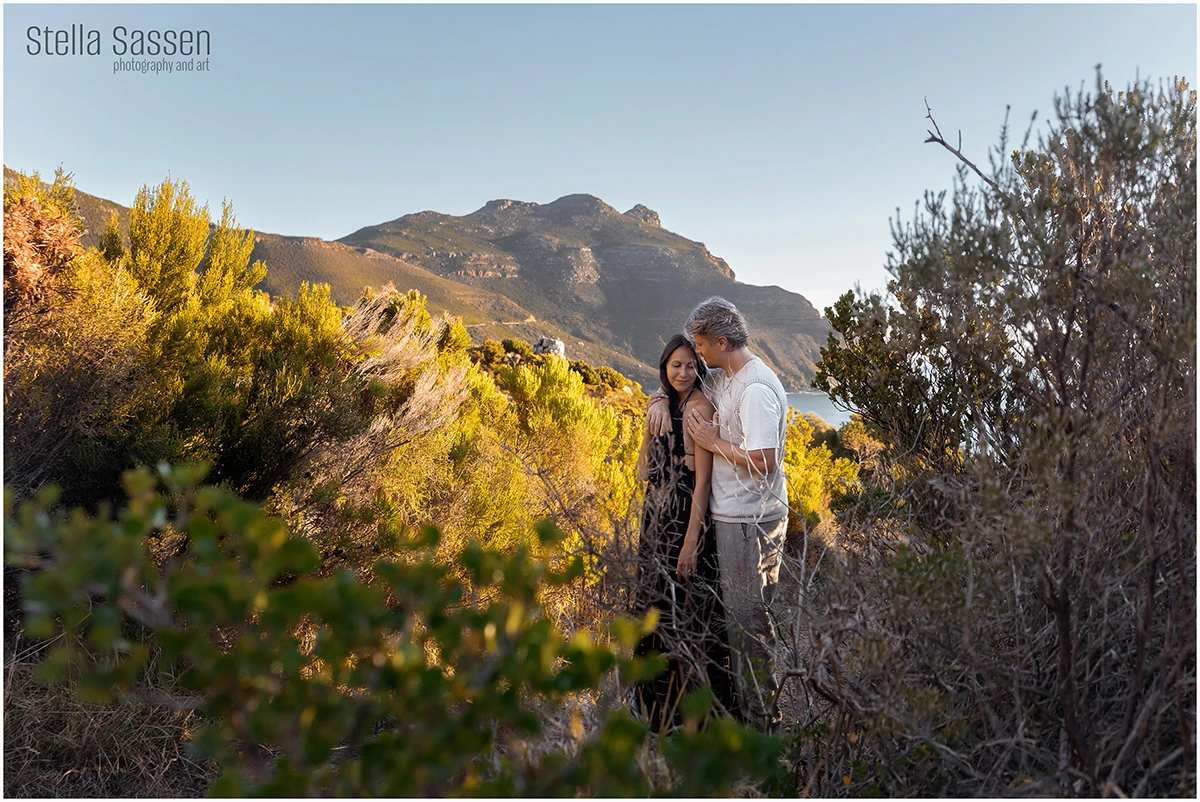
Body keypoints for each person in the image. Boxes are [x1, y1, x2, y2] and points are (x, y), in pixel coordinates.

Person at [646, 297, 788, 731]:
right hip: (728, 518)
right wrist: (656, 398)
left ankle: (763, 727)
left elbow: (765, 459)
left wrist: (710, 441)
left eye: (703, 347)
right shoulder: (728, 377)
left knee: (747, 624)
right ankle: (739, 717)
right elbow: (684, 384)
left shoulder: (755, 390)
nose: (698, 355)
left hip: (748, 520)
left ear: (721, 341)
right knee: (731, 623)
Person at [632, 334, 738, 731]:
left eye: (691, 365)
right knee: (653, 608)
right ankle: (652, 711)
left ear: (700, 369)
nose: (683, 372)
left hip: (685, 519)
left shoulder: (701, 409)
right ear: (664, 367)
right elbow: (643, 471)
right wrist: (648, 424)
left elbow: (703, 484)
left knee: (687, 612)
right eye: (675, 365)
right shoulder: (660, 406)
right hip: (654, 517)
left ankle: (691, 716)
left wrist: (691, 541)